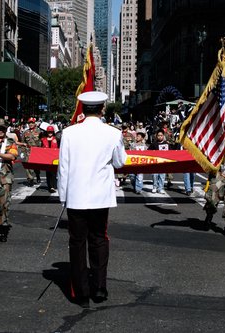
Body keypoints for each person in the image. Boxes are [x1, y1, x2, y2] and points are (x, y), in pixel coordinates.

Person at [58, 91, 127, 308]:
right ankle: (99, 287)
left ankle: (81, 292)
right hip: (100, 196)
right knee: (99, 239)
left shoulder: (69, 133)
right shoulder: (113, 133)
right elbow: (120, 162)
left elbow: (64, 167)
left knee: (77, 243)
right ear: (102, 109)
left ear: (83, 109)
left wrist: (63, 196)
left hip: (76, 196)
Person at [148, 129, 171, 194]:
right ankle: (154, 187)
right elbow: (148, 152)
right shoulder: (153, 144)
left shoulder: (166, 144)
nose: (160, 137)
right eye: (158, 135)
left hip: (163, 163)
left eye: (161, 135)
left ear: (163, 136)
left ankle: (160, 188)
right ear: (156, 136)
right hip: (155, 163)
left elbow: (171, 153)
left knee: (162, 176)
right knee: (155, 175)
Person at [22, 117, 42, 186]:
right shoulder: (25, 132)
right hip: (28, 151)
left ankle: (38, 175)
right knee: (28, 166)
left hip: (37, 151)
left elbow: (42, 141)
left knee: (36, 166)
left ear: (34, 123)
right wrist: (22, 152)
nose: (31, 124)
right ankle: (30, 179)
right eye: (29, 123)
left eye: (32, 123)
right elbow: (23, 142)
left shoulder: (39, 131)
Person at [41, 126, 59, 193]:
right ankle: (50, 186)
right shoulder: (43, 140)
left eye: (51, 132)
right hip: (46, 158)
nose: (50, 133)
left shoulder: (56, 139)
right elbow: (41, 149)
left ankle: (53, 186)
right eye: (49, 132)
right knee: (48, 173)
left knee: (53, 172)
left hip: (54, 158)